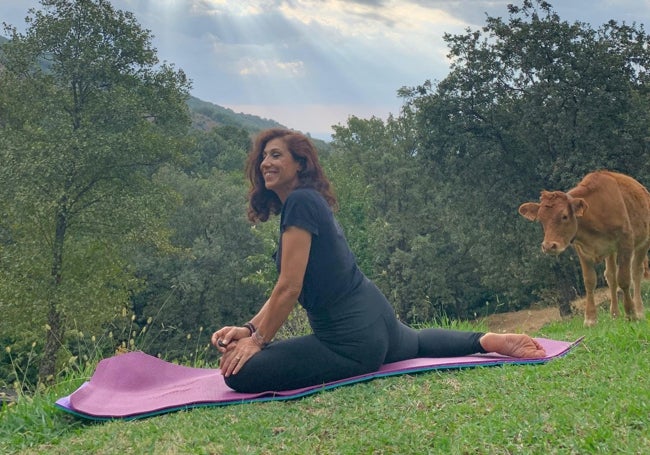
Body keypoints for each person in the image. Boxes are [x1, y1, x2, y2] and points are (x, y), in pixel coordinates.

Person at [211, 128, 546, 393]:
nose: (265, 163)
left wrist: (257, 342)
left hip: (349, 340)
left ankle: (485, 341)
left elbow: (288, 287)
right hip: (378, 320)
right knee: (414, 342)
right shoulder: (309, 202)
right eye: (263, 157)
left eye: (276, 155)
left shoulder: (299, 203)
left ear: (300, 163)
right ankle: (487, 341)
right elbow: (285, 286)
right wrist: (249, 328)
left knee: (240, 373)